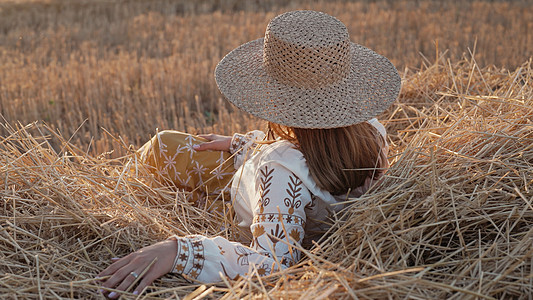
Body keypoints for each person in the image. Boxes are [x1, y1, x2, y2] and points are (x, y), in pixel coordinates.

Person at [98, 10, 401, 298]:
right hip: (273, 200)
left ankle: (106, 194)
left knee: (163, 146)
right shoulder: (371, 132)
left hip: (248, 206)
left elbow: (273, 266)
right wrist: (243, 145)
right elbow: (314, 157)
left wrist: (179, 250)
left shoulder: (280, 170)